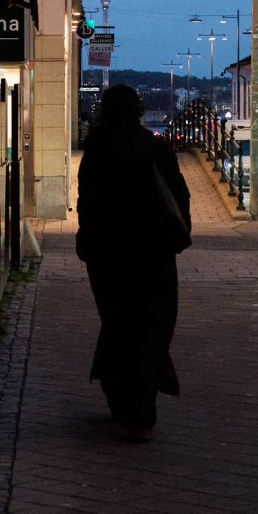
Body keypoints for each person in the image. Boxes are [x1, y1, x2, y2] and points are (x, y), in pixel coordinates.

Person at [76, 84, 191, 443]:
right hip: (152, 253)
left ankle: (117, 394)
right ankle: (140, 412)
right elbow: (179, 196)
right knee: (151, 327)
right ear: (138, 110)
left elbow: (88, 201)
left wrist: (88, 241)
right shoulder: (155, 147)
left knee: (117, 322)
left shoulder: (96, 149)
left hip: (108, 254)